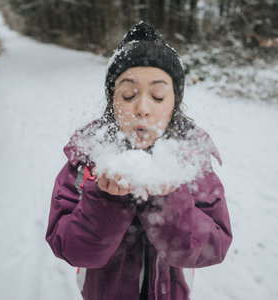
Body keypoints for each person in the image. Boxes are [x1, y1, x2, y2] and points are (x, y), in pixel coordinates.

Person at [45, 21, 232, 300]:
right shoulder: (87, 159)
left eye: (158, 96)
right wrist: (104, 201)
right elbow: (68, 246)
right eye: (128, 95)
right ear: (112, 100)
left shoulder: (191, 161)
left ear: (174, 103)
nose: (142, 109)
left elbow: (214, 246)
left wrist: (169, 202)